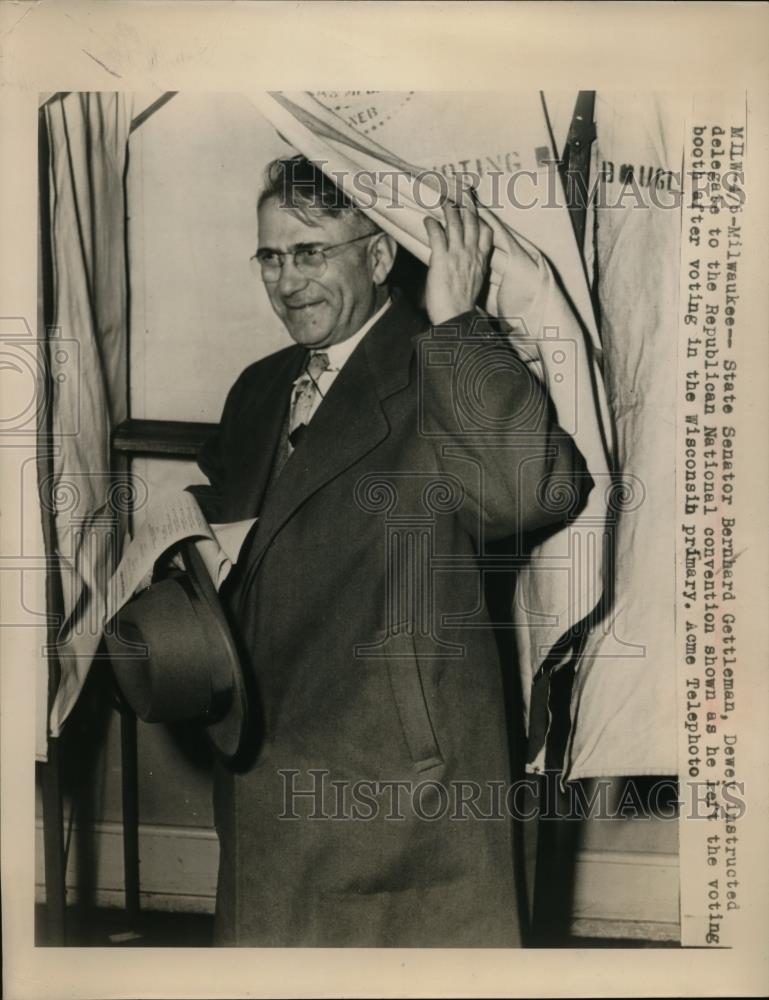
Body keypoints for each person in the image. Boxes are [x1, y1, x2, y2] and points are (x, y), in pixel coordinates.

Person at [191, 155, 592, 947]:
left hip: (395, 782)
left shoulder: (442, 359)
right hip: (264, 762)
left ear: (378, 257)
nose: (285, 279)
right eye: (270, 256)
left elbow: (527, 492)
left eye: (310, 252)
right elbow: (248, 534)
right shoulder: (260, 388)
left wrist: (453, 324)